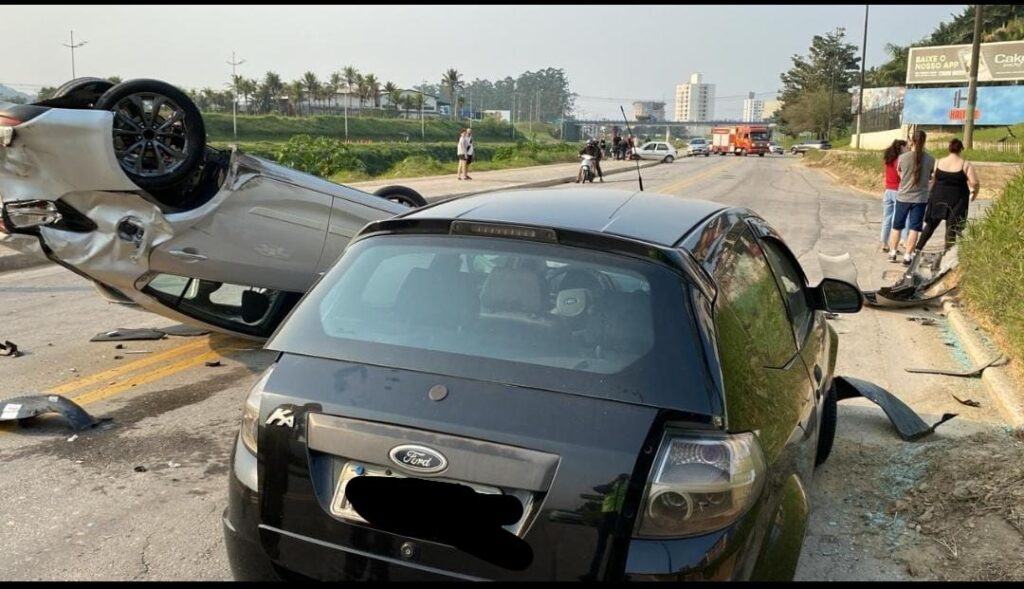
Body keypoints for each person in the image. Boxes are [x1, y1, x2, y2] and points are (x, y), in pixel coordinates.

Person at [915, 138, 980, 253]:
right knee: (951, 227)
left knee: (931, 225)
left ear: (949, 149)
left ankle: (918, 247)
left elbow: (933, 180)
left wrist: (929, 194)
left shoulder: (939, 162)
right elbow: (974, 182)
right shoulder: (965, 164)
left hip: (938, 196)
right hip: (957, 199)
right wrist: (975, 193)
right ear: (961, 150)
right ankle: (948, 252)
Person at [888, 129, 934, 265]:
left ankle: (893, 253)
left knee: (897, 226)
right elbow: (930, 177)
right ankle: (908, 256)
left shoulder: (903, 158)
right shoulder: (930, 159)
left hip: (903, 197)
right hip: (920, 199)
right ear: (924, 141)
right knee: (915, 228)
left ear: (912, 141)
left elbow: (900, 174)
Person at [880, 139, 909, 253]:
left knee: (887, 218)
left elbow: (885, 176)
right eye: (906, 147)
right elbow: (903, 177)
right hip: (898, 191)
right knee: (900, 219)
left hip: (888, 191)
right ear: (901, 147)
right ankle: (902, 241)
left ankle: (884, 243)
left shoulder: (888, 160)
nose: (908, 149)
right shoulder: (900, 161)